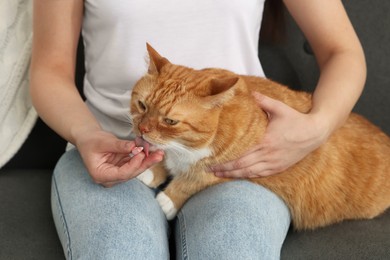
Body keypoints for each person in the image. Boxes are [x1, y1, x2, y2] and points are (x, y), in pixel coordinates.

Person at [30, 0, 366, 259]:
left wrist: (317, 127)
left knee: (232, 249)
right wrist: (88, 135)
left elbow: (343, 51)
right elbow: (51, 69)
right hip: (113, 147)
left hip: (239, 158)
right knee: (119, 249)